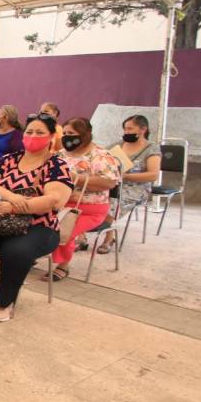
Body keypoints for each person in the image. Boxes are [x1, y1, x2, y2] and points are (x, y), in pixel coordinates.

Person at [0, 114, 73, 321]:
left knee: (15, 251)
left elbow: (54, 200)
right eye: (29, 132)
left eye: (40, 133)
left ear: (51, 137)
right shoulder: (9, 159)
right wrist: (13, 197)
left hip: (38, 226)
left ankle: (5, 302)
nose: (33, 136)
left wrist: (12, 208)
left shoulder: (56, 165)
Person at [50, 117, 120, 280]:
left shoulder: (101, 156)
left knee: (63, 230)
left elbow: (109, 182)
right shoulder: (60, 154)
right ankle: (30, 254)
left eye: (71, 133)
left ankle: (63, 266)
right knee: (33, 223)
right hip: (60, 204)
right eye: (65, 133)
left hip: (90, 209)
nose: (66, 137)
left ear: (85, 134)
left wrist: (75, 178)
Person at [97, 115, 162, 254]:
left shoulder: (151, 149)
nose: (126, 132)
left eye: (130, 129)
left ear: (143, 129)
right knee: (89, 195)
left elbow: (153, 175)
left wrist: (126, 176)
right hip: (114, 182)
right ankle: (81, 238)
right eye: (125, 129)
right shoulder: (118, 145)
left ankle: (108, 238)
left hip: (137, 188)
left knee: (112, 202)